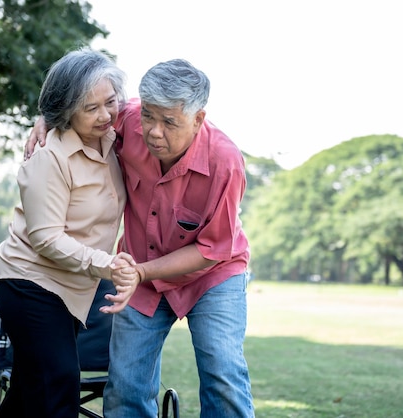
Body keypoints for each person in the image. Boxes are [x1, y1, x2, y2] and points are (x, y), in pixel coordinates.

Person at [28, 59, 255, 417]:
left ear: (198, 119)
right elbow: (78, 104)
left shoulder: (225, 162)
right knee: (127, 385)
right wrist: (46, 119)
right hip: (139, 272)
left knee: (222, 373)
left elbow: (213, 249)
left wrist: (142, 272)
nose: (153, 131)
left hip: (212, 276)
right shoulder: (128, 119)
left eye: (169, 122)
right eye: (149, 115)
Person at [0, 47, 140, 418]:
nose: (106, 115)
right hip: (29, 282)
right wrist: (109, 265)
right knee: (58, 384)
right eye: (91, 108)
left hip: (70, 287)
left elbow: (158, 108)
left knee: (30, 389)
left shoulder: (113, 136)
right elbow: (46, 238)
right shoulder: (49, 156)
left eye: (110, 102)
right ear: (66, 110)